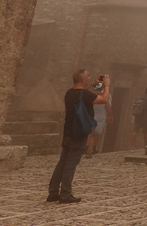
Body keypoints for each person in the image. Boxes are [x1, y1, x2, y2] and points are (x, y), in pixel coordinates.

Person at [47, 69, 110, 204]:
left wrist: (93, 85)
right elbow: (104, 99)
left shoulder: (70, 93)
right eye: (87, 76)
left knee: (63, 161)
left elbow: (83, 93)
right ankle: (66, 194)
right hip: (79, 133)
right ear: (82, 80)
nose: (89, 77)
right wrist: (107, 85)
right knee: (71, 164)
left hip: (68, 132)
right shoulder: (85, 94)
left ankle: (53, 192)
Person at [86, 75, 112, 157]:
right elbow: (108, 106)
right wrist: (110, 115)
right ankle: (90, 151)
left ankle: (90, 149)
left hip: (90, 114)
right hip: (100, 116)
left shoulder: (91, 94)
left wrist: (94, 83)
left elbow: (86, 92)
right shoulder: (106, 95)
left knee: (91, 134)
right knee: (95, 134)